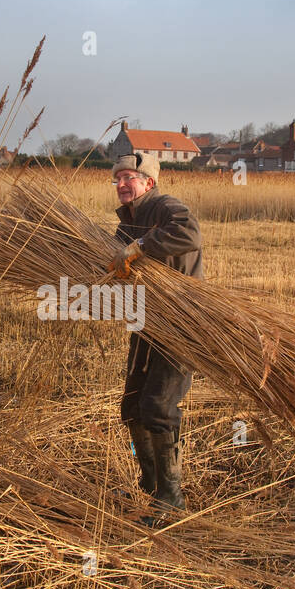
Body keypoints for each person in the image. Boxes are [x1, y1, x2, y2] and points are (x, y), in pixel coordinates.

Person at [106, 151, 203, 526]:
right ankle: (149, 486)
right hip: (146, 321)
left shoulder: (164, 206)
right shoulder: (126, 221)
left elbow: (189, 234)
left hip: (182, 323)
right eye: (117, 179)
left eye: (129, 177)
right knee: (133, 406)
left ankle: (171, 498)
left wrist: (141, 246)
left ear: (148, 182)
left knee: (159, 408)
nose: (122, 184)